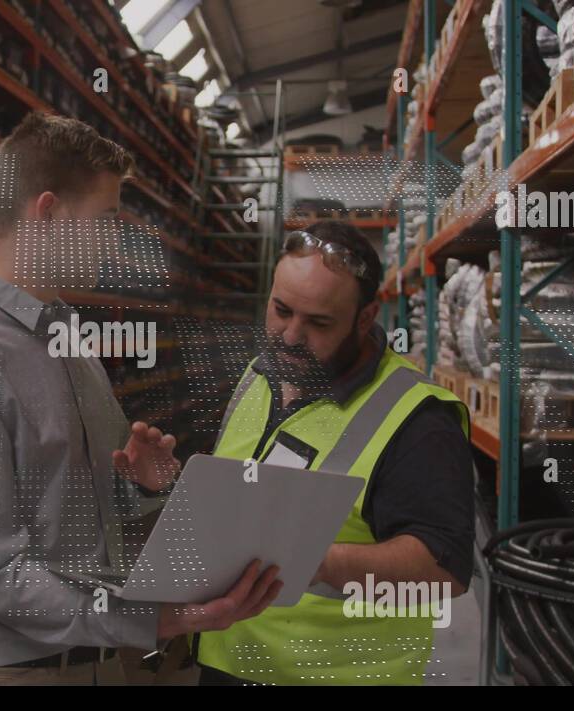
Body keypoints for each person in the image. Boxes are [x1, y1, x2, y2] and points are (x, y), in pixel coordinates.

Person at [0, 112, 281, 686]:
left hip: (96, 660)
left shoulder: (65, 335)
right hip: (9, 674)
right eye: (105, 219)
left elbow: (64, 509)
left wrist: (135, 484)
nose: (115, 240)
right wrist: (160, 619)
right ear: (47, 213)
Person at [195, 220, 475, 685]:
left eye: (318, 322)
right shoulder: (258, 375)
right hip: (228, 658)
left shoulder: (418, 419)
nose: (290, 336)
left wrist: (320, 560)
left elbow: (442, 572)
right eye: (281, 310)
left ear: (365, 319)